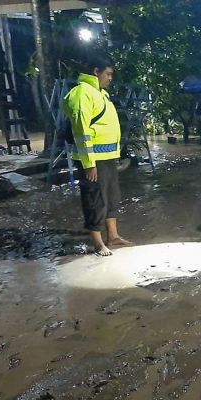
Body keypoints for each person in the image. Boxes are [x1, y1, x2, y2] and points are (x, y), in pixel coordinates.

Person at [63, 54, 130, 256]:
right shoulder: (82, 93)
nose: (110, 78)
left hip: (108, 156)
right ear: (96, 71)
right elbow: (81, 130)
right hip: (94, 159)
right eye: (108, 74)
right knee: (95, 199)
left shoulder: (101, 93)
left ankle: (113, 236)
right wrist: (88, 163)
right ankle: (98, 243)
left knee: (111, 197)